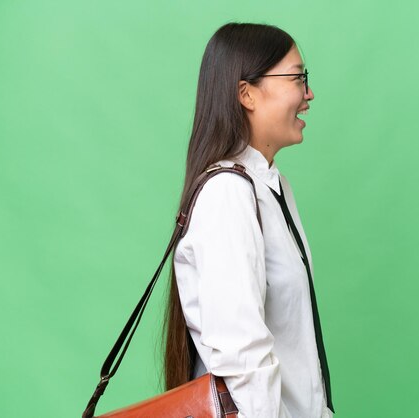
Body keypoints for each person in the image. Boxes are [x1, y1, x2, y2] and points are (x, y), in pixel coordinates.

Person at [163, 22, 334, 418]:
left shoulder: (273, 186)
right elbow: (242, 358)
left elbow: (297, 354)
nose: (308, 94)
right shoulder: (228, 194)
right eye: (297, 78)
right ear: (246, 94)